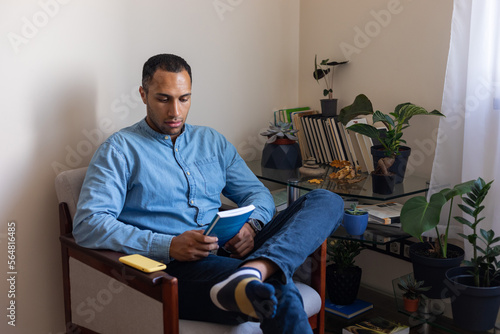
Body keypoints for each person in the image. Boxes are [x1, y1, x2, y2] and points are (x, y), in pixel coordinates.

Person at [73, 53, 343, 333]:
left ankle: (256, 270)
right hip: (178, 269)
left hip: (232, 251)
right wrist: (167, 245)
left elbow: (257, 194)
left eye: (184, 98)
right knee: (277, 292)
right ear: (143, 95)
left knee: (327, 199)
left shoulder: (212, 141)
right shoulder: (120, 150)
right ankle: (255, 277)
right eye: (163, 99)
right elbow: (88, 224)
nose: (175, 111)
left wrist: (252, 227)